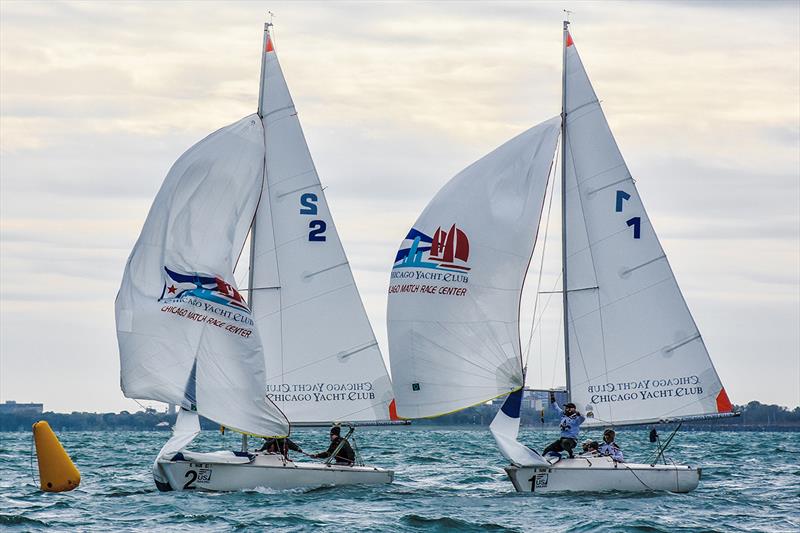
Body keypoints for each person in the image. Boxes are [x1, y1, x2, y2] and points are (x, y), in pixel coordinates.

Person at [542, 392, 585, 459]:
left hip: (572, 441)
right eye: (566, 408)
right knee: (547, 449)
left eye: (568, 408)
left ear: (572, 409)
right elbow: (555, 406)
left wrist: (578, 414)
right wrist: (552, 395)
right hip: (562, 440)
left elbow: (582, 418)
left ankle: (571, 455)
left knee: (565, 443)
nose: (566, 409)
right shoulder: (562, 414)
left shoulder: (576, 419)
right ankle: (543, 459)